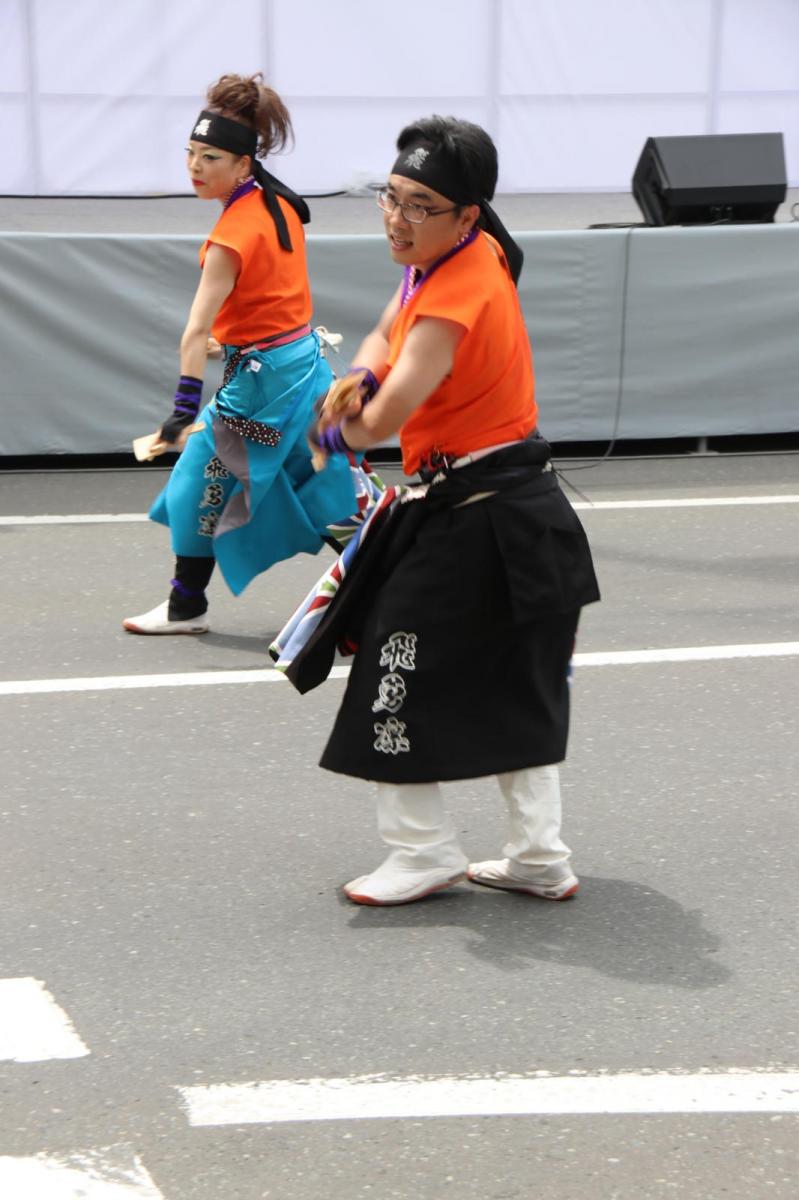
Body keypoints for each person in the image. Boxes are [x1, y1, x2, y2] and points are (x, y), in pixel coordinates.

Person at [295, 115, 600, 906]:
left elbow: (383, 422)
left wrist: (330, 424)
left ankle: (423, 851)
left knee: (390, 663)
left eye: (419, 204)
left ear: (467, 213)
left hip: (486, 513)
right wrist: (354, 376)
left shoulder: (457, 289)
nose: (397, 218)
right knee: (517, 681)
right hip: (503, 510)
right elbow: (380, 334)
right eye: (390, 197)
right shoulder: (453, 253)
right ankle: (538, 858)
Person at [123, 73, 355, 635]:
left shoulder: (231, 234)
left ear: (243, 164)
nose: (196, 166)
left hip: (261, 387)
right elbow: (278, 297)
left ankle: (186, 605)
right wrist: (233, 340)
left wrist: (182, 410)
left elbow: (191, 331)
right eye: (191, 153)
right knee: (315, 480)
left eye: (211, 157)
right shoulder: (279, 204)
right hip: (301, 366)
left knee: (193, 482)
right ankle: (388, 581)